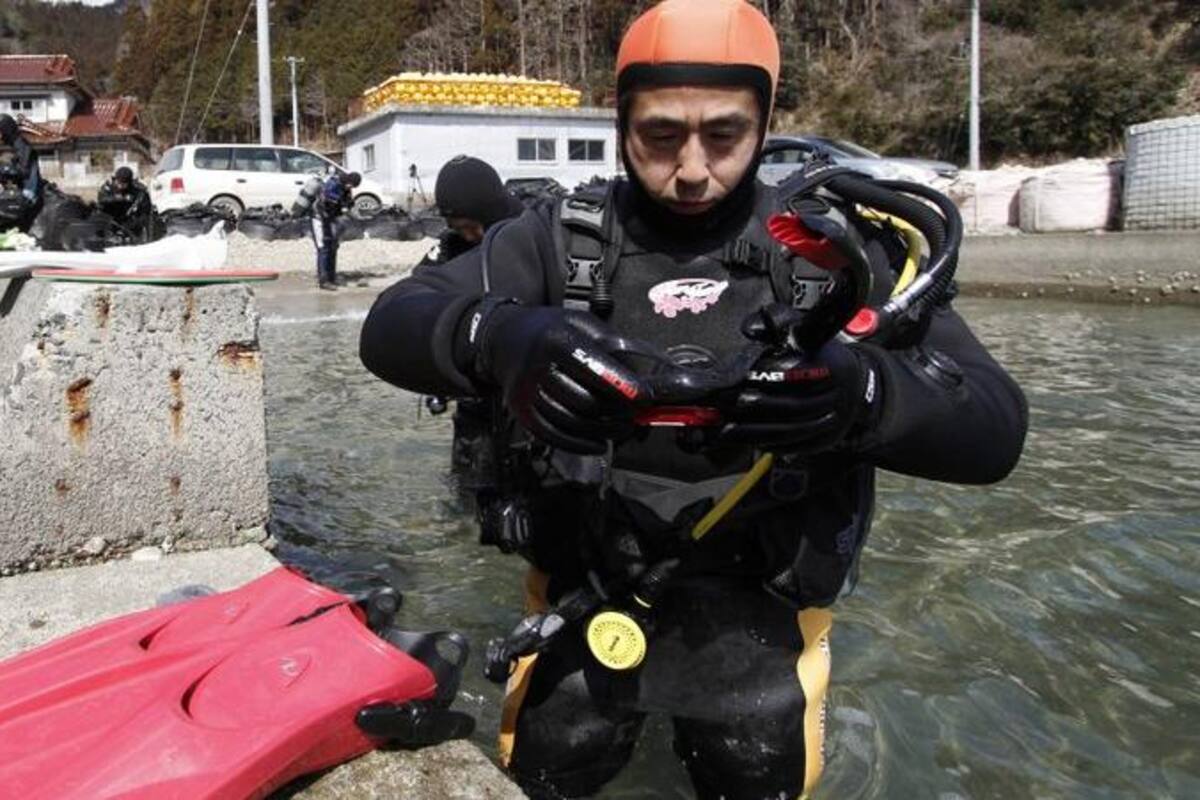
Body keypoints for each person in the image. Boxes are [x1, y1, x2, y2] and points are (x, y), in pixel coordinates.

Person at [360, 1, 1027, 798]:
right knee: (544, 775)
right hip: (584, 602)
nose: (690, 169)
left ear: (766, 119)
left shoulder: (836, 251)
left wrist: (867, 397)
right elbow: (390, 324)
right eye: (660, 135)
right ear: (622, 121)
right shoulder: (554, 239)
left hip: (768, 624)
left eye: (724, 134)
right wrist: (502, 340)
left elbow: (997, 428)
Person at [418, 155, 525, 487]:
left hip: (526, 390)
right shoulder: (452, 247)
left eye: (473, 226)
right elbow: (420, 291)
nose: (469, 236)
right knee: (469, 487)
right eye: (458, 228)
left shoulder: (535, 232)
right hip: (477, 396)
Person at [418, 155, 525, 268]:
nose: (468, 237)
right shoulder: (453, 241)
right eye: (458, 229)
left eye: (471, 228)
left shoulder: (527, 234)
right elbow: (423, 276)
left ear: (492, 217)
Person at [309, 170, 361, 290]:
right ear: (348, 180)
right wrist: (339, 210)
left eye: (353, 186)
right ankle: (324, 281)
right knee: (323, 248)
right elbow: (325, 205)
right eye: (351, 185)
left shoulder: (346, 188)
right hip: (319, 218)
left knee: (333, 247)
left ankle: (332, 277)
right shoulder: (332, 185)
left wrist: (352, 212)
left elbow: (349, 204)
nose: (350, 187)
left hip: (331, 218)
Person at [0, 113, 43, 232]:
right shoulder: (14, 145)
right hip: (20, 192)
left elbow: (24, 171)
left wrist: (4, 169)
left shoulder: (22, 146)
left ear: (5, 129)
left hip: (27, 194)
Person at [97, 166, 153, 241]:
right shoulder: (108, 187)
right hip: (111, 219)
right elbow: (101, 201)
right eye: (118, 182)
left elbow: (146, 211)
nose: (120, 186)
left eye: (123, 184)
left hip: (130, 221)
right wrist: (117, 198)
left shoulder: (139, 190)